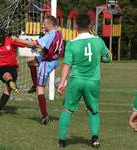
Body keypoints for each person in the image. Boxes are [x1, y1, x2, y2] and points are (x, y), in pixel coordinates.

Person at [57, 14, 111, 148]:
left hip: (76, 80)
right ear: (90, 26)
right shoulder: (98, 41)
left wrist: (62, 82)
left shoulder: (71, 44)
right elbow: (108, 57)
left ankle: (62, 141)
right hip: (93, 81)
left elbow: (67, 65)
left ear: (76, 26)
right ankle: (95, 139)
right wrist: (101, 58)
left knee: (67, 110)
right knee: (92, 110)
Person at [12, 16, 64, 124]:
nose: (43, 26)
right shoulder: (58, 32)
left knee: (40, 90)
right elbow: (49, 45)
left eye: (44, 24)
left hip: (47, 62)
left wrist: (17, 39)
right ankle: (35, 84)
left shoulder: (50, 35)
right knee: (30, 61)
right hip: (54, 60)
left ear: (50, 24)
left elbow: (34, 44)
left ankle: (44, 115)